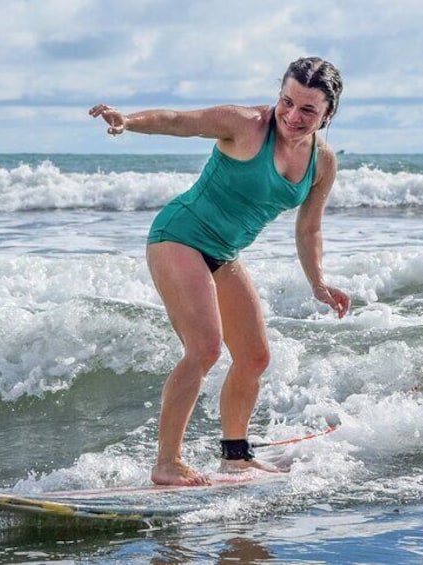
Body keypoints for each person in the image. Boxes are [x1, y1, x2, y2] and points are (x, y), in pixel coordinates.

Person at [89, 56, 351, 486]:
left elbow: (309, 228)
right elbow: (179, 120)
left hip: (224, 253)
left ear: (328, 114)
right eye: (287, 101)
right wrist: (128, 121)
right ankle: (167, 462)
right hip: (179, 237)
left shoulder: (322, 162)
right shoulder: (245, 123)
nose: (292, 115)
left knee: (254, 357)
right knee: (205, 348)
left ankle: (235, 456)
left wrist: (318, 281)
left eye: (308, 110)